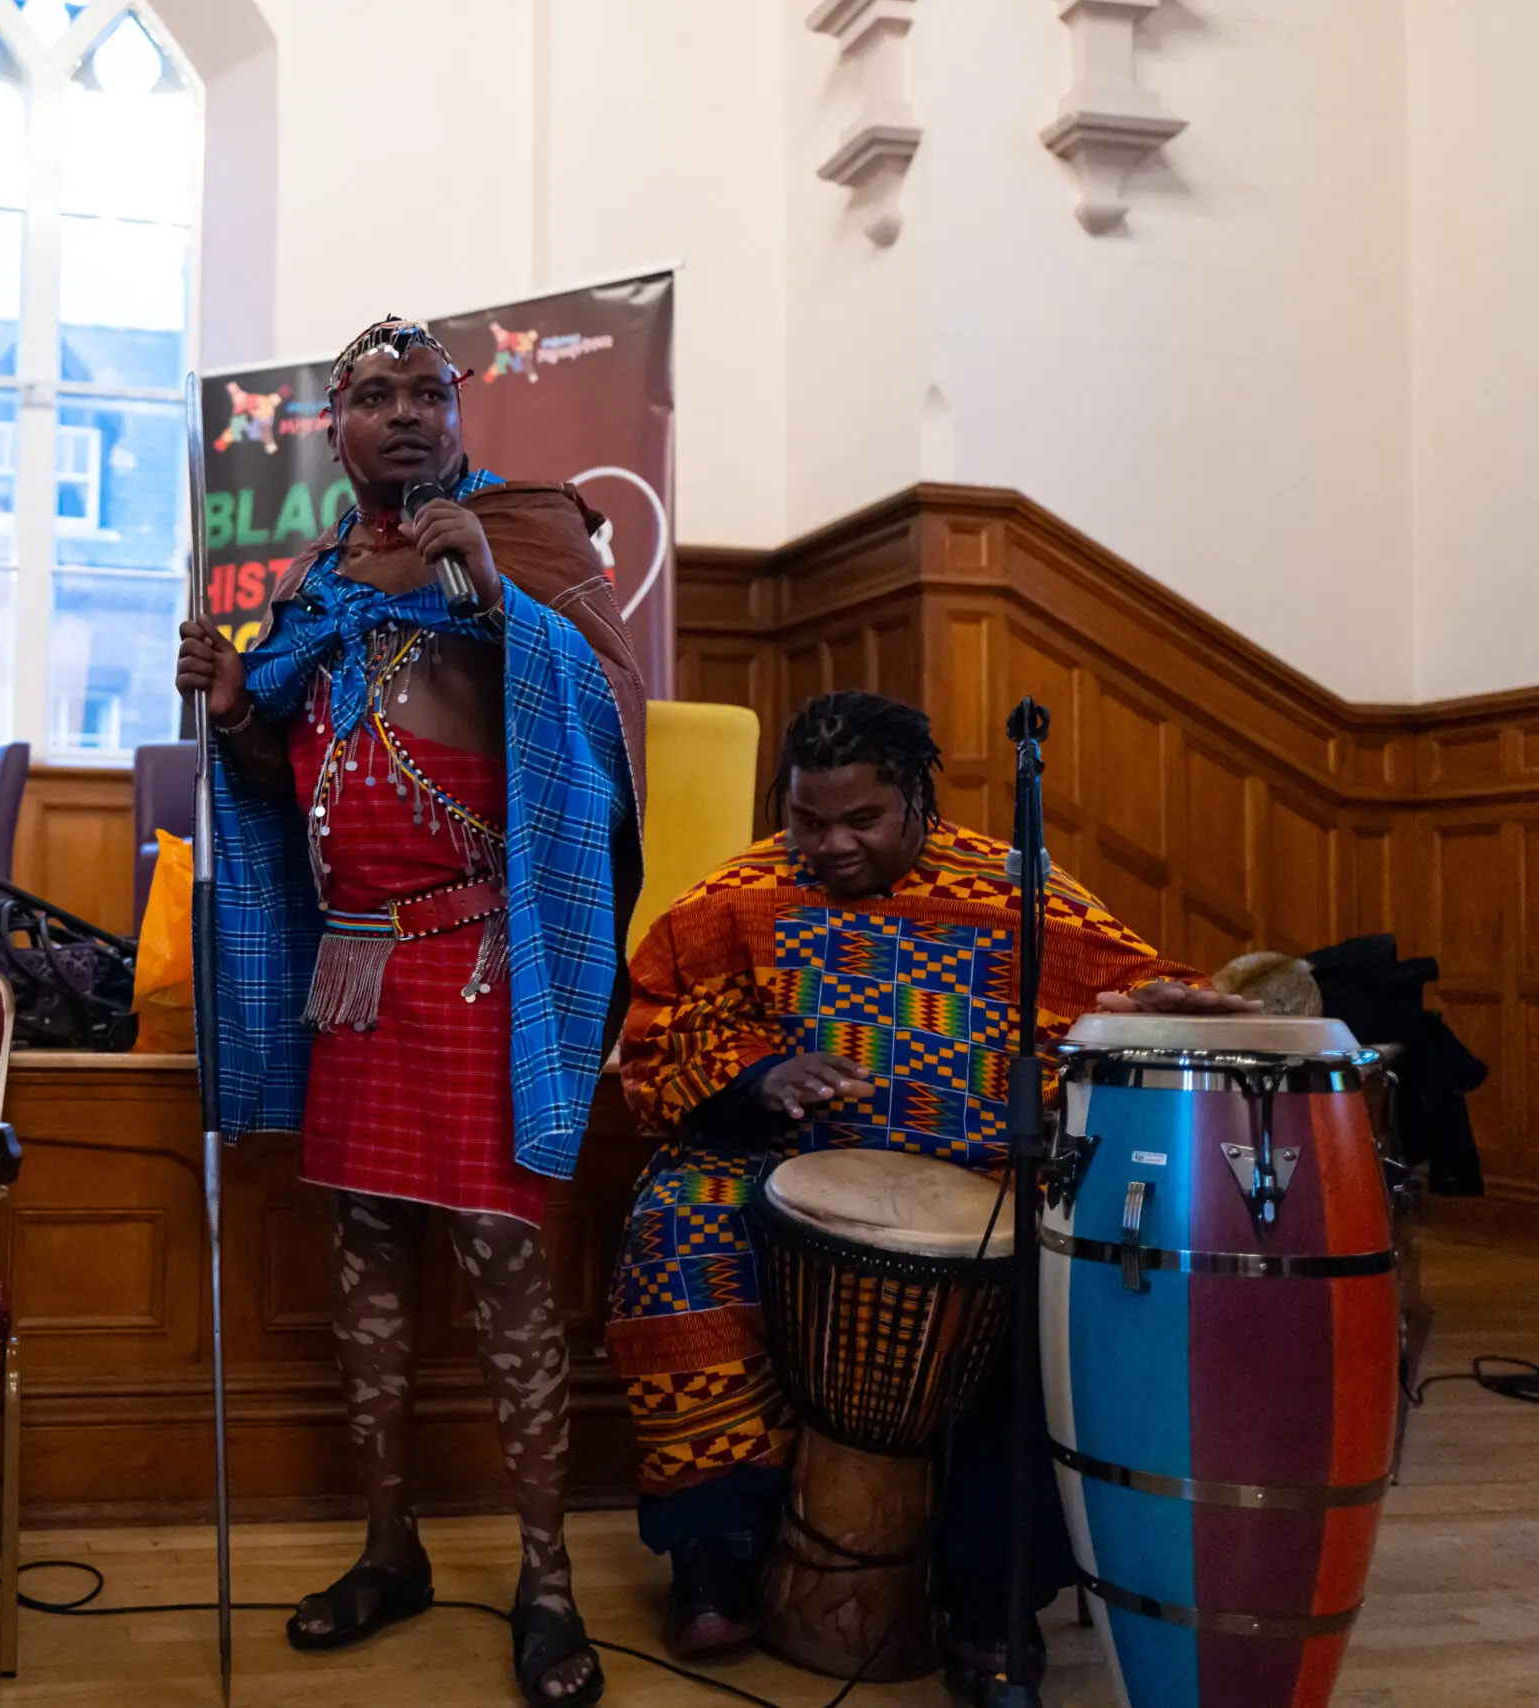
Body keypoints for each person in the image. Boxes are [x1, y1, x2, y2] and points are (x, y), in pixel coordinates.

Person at [176, 316, 644, 1707]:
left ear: (460, 413)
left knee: (507, 1279)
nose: (398, 414)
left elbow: (606, 718)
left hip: (480, 960)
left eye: (423, 393)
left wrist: (494, 597)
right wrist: (235, 712)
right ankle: (392, 1550)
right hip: (356, 971)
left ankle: (548, 1584)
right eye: (368, 396)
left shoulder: (532, 538)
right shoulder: (318, 580)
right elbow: (275, 783)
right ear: (334, 432)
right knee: (365, 1274)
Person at [607, 690, 1248, 1703]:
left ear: (916, 798)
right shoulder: (740, 895)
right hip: (782, 1163)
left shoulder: (1017, 890)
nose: (830, 844)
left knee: (1051, 1280)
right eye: (807, 819)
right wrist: (756, 1077)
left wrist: (1171, 1003)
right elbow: (655, 1035)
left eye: (860, 819)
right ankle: (714, 1547)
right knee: (674, 1225)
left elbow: (1134, 983)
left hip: (982, 1177)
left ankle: (992, 1600)